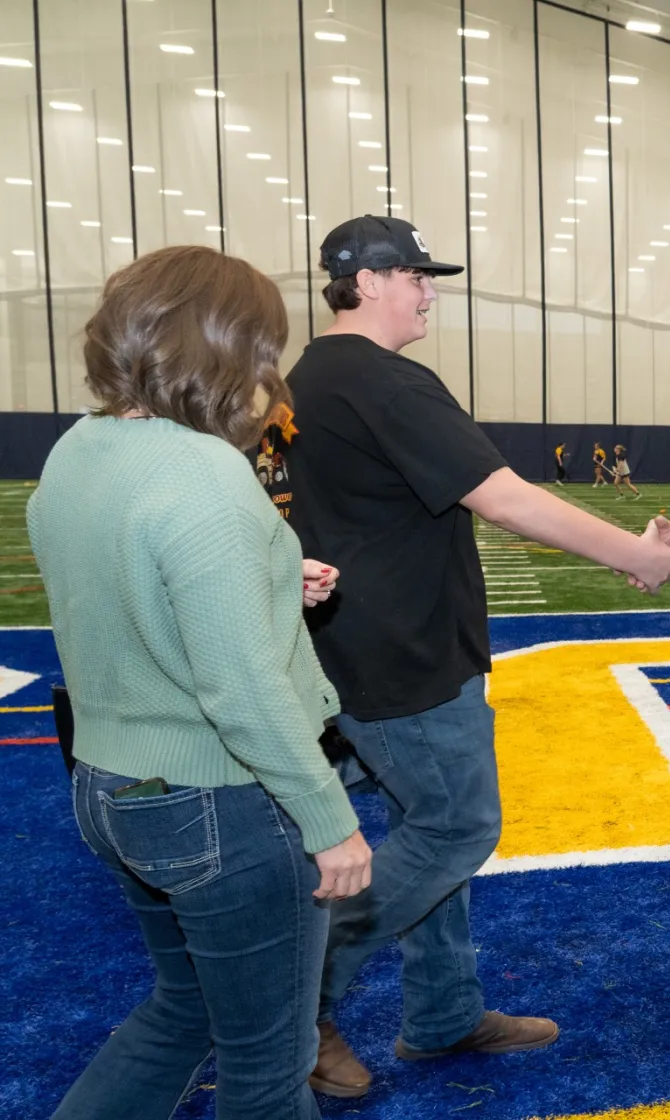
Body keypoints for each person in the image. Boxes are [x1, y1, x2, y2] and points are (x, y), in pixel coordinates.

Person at [281, 215, 670, 1098]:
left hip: (351, 645)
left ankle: (442, 1013)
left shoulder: (306, 377)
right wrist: (636, 554)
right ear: (370, 282)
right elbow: (504, 498)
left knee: (428, 827)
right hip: (406, 654)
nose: (428, 293)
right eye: (416, 276)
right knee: (455, 829)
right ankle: (295, 1005)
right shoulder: (385, 381)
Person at [31, 245, 373, 1119]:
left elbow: (119, 583)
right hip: (217, 797)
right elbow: (241, 688)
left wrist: (269, 579)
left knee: (183, 1010)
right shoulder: (205, 470)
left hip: (109, 781)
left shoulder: (78, 447)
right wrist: (328, 820)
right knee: (271, 1065)